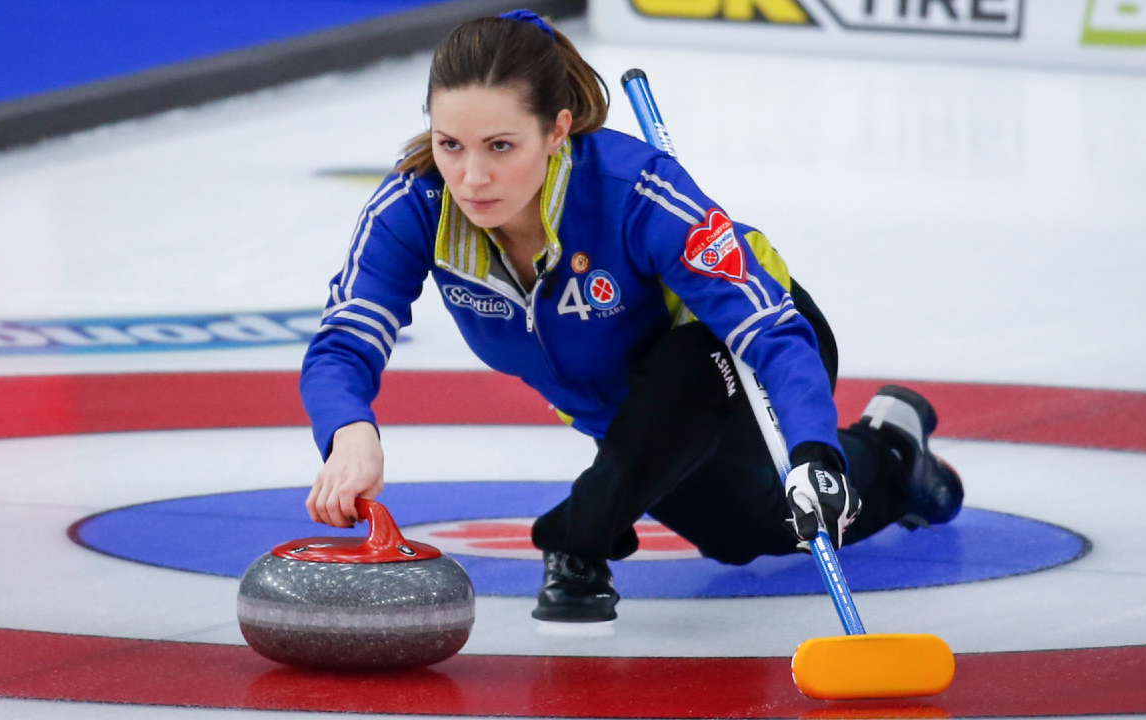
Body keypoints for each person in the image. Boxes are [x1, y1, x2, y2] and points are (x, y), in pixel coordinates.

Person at [301, 10, 963, 623]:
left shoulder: (636, 189)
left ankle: (578, 542)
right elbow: (343, 343)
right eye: (451, 144)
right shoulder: (416, 207)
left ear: (557, 129)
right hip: (628, 421)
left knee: (683, 378)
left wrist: (814, 450)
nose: (470, 178)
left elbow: (769, 329)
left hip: (736, 349)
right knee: (746, 534)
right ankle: (894, 451)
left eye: (500, 147)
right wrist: (349, 430)